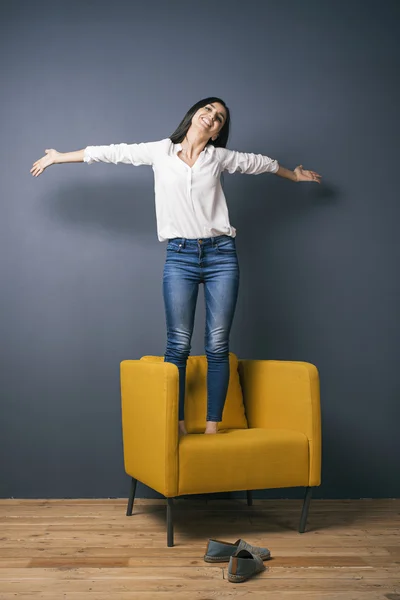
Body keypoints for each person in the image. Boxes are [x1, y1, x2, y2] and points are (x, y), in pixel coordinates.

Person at [31, 96, 321, 436]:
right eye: (208, 110)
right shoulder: (159, 152)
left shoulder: (219, 157)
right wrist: (58, 157)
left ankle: (213, 428)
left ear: (217, 133)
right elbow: (110, 152)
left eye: (220, 119)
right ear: (194, 115)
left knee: (217, 345)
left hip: (221, 257)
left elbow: (262, 163)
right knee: (178, 345)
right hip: (180, 257)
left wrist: (293, 176)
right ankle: (178, 427)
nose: (212, 117)